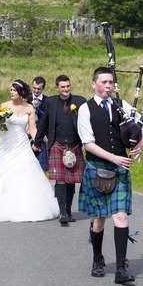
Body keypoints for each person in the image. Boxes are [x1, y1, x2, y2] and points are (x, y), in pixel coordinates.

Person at [77, 67, 143, 285]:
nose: (108, 86)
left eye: (111, 82)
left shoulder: (122, 105)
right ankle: (97, 258)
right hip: (97, 167)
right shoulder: (85, 109)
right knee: (98, 220)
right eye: (104, 82)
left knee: (120, 217)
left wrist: (139, 145)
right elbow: (88, 144)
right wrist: (114, 157)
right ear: (94, 84)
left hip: (120, 170)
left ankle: (120, 268)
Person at [0, 80, 59, 222]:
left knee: (24, 170)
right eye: (10, 90)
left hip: (22, 143)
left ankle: (27, 206)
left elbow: (33, 128)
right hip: (7, 143)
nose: (11, 93)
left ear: (21, 92)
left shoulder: (29, 108)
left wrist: (37, 141)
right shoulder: (3, 106)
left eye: (14, 90)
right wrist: (0, 119)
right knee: (2, 171)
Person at [35, 74, 86, 226]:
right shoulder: (50, 102)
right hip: (57, 145)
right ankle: (62, 211)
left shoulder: (80, 101)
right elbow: (43, 123)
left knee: (71, 181)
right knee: (60, 179)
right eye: (63, 87)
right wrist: (37, 141)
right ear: (57, 88)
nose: (66, 89)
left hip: (75, 145)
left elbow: (86, 122)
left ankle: (69, 211)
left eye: (68, 86)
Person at [30, 76, 49, 171]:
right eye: (34, 88)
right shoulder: (26, 99)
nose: (36, 91)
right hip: (27, 135)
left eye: (39, 89)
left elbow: (47, 120)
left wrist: (44, 134)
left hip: (42, 136)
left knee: (40, 168)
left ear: (43, 88)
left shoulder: (48, 101)